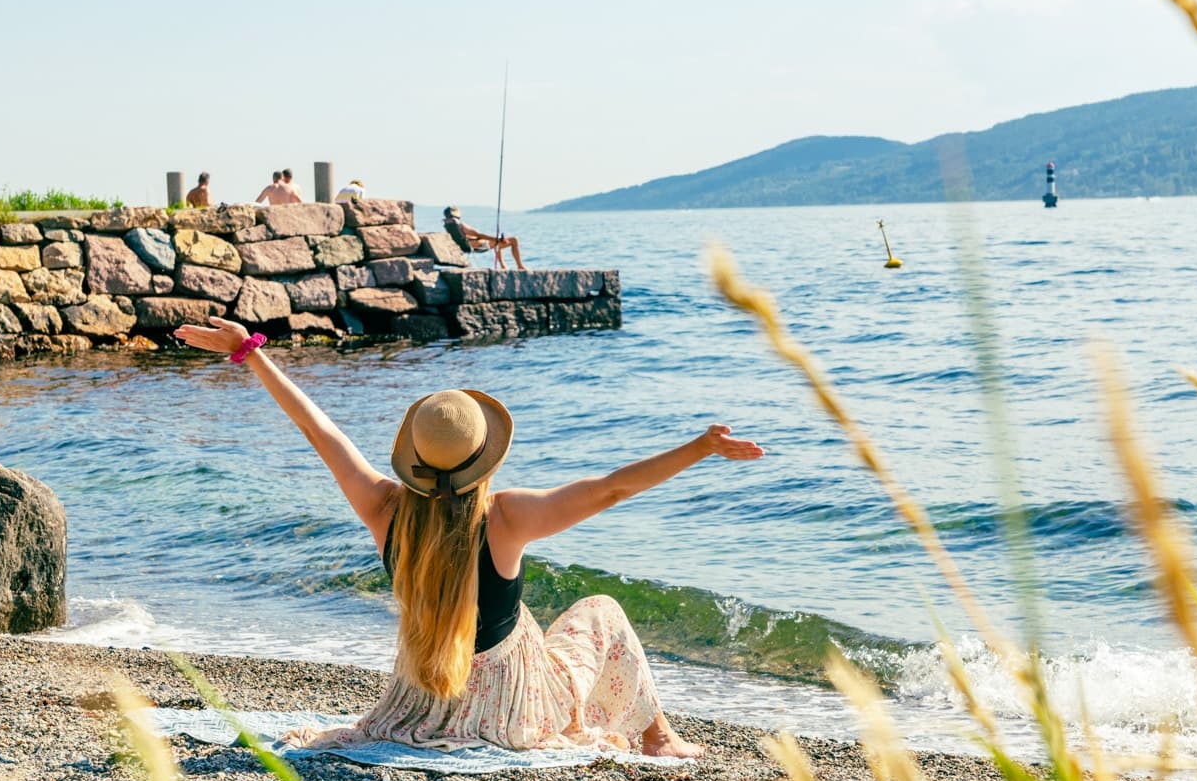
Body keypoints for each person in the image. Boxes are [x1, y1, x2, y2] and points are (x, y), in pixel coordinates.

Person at [170, 316, 764, 757]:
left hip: (421, 695)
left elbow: (316, 427)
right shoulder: (505, 518)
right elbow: (610, 489)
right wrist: (700, 448)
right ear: (485, 459)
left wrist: (252, 353)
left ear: (417, 458)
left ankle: (660, 736)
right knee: (601, 612)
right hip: (510, 707)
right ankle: (660, 738)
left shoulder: (384, 507)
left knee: (531, 623)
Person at [443, 205, 526, 270]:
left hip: (467, 245)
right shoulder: (460, 224)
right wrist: (497, 239)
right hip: (480, 245)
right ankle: (520, 265)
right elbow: (479, 235)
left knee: (496, 241)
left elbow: (463, 237)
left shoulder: (449, 226)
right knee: (514, 240)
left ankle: (503, 265)